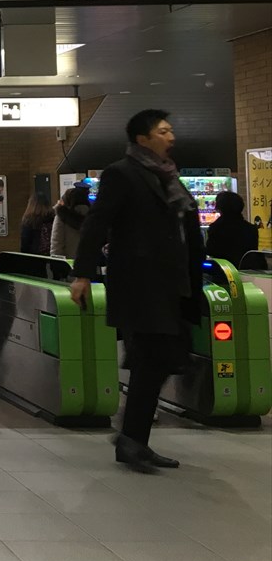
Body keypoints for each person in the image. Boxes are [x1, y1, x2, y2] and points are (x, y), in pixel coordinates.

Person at [71, 109, 204, 473]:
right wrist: (82, 274)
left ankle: (133, 439)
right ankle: (132, 441)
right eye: (163, 131)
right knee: (152, 359)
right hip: (141, 285)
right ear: (142, 139)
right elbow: (97, 223)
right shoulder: (122, 173)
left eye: (171, 130)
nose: (171, 137)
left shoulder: (168, 176)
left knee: (159, 360)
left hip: (174, 284)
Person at [205, 191, 259, 267]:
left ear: (219, 207)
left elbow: (211, 251)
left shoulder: (216, 228)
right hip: (248, 270)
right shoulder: (251, 229)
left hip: (224, 270)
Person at [50, 185, 91, 259]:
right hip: (89, 260)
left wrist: (57, 261)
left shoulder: (61, 216)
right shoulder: (93, 216)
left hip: (68, 262)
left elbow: (56, 243)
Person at [20, 188, 55, 255]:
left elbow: (25, 244)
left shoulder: (29, 220)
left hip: (35, 256)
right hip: (52, 254)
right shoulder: (53, 217)